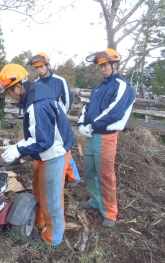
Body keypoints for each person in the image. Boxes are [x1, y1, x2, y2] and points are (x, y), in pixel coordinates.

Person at [0, 64, 75, 246]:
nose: (10, 96)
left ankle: (53, 239)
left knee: (51, 197)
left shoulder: (37, 104)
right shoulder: (34, 91)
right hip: (46, 150)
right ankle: (39, 222)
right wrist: (20, 144)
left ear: (18, 86)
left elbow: (43, 140)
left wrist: (19, 149)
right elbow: (38, 133)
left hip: (54, 152)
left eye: (9, 91)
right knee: (39, 188)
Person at [77, 48, 135, 228]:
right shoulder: (99, 87)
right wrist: (81, 124)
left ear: (115, 64)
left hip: (106, 137)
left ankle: (110, 212)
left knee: (105, 175)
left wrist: (92, 125)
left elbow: (115, 112)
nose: (102, 69)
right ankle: (95, 199)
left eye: (105, 65)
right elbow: (87, 108)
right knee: (90, 171)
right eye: (100, 66)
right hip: (92, 136)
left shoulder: (122, 86)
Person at [28, 52, 81, 188]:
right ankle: (53, 174)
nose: (39, 70)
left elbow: (67, 101)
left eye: (41, 67)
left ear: (48, 65)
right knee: (50, 149)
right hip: (44, 123)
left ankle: (74, 176)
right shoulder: (35, 84)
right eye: (37, 68)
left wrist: (60, 117)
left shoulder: (60, 81)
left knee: (64, 147)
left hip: (59, 122)